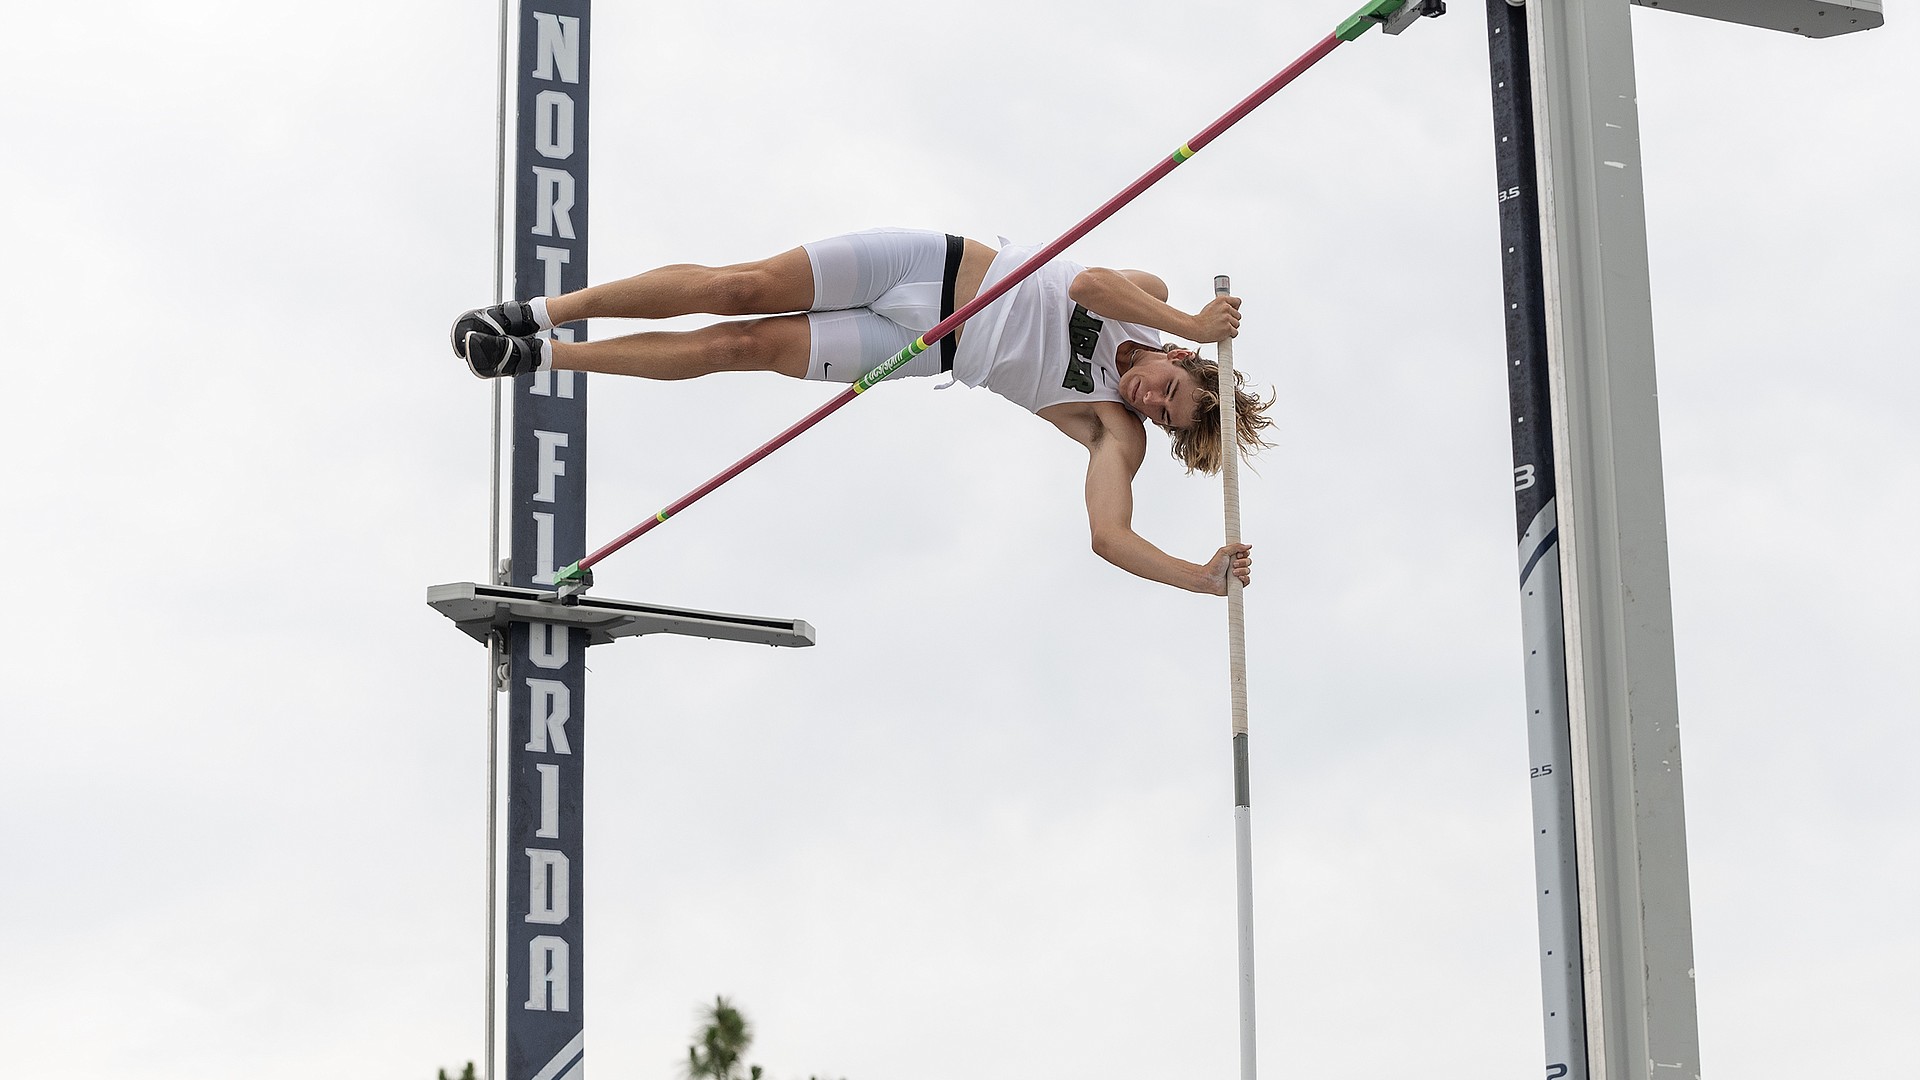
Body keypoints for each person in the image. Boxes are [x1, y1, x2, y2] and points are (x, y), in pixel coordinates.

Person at [453, 227, 1270, 595]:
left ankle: (540, 356)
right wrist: (1193, 323)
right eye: (1169, 390)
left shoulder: (1111, 430)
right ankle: (539, 312)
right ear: (1183, 360)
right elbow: (1089, 285)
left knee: (738, 348)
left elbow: (1108, 536)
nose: (1148, 402)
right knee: (738, 288)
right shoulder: (1152, 306)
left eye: (1163, 417)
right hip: (927, 264)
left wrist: (1195, 579)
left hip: (924, 348)